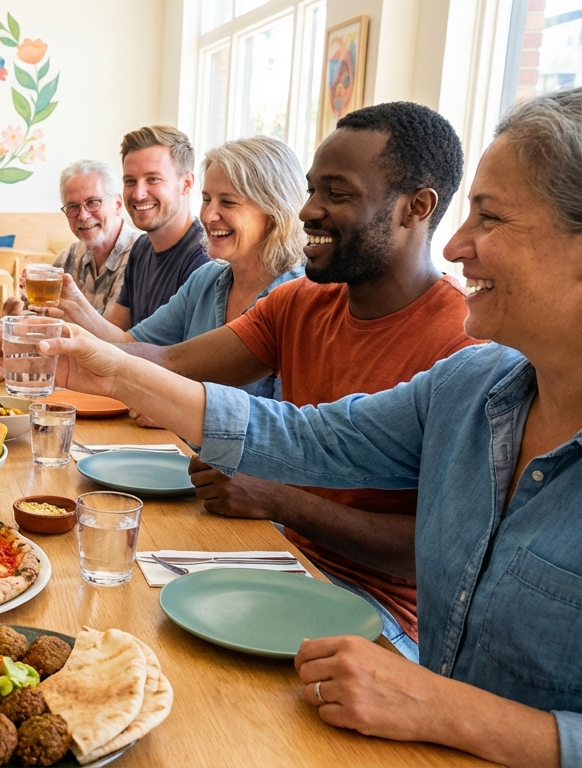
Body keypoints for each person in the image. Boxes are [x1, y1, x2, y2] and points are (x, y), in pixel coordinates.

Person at [39, 87, 582, 768]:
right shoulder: (475, 386)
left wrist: (451, 709)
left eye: (492, 217)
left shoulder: (458, 349)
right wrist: (104, 365)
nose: (462, 242)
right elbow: (301, 437)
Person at [74, 103, 477, 660]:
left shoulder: (464, 344)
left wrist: (279, 499)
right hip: (281, 556)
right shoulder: (299, 303)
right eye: (312, 190)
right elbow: (171, 362)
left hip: (386, 612)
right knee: (116, 614)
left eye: (336, 193)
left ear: (417, 207)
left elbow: (433, 551)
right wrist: (73, 353)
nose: (308, 210)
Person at [39, 136, 305, 398]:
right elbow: (130, 345)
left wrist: (171, 405)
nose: (209, 215)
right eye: (207, 199)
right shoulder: (206, 280)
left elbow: (290, 424)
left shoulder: (300, 298)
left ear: (275, 210)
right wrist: (58, 324)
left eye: (228, 202)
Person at [103, 125, 210, 332]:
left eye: (153, 179)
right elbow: (115, 331)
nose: (138, 194)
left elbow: (174, 359)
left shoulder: (204, 259)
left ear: (186, 183)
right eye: (130, 181)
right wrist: (68, 304)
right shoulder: (141, 247)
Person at [2, 160, 140, 318]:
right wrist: (15, 314)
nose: (83, 215)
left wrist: (55, 313)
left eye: (93, 202)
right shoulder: (68, 257)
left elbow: (115, 334)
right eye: (73, 206)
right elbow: (32, 312)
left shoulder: (141, 257)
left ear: (117, 204)